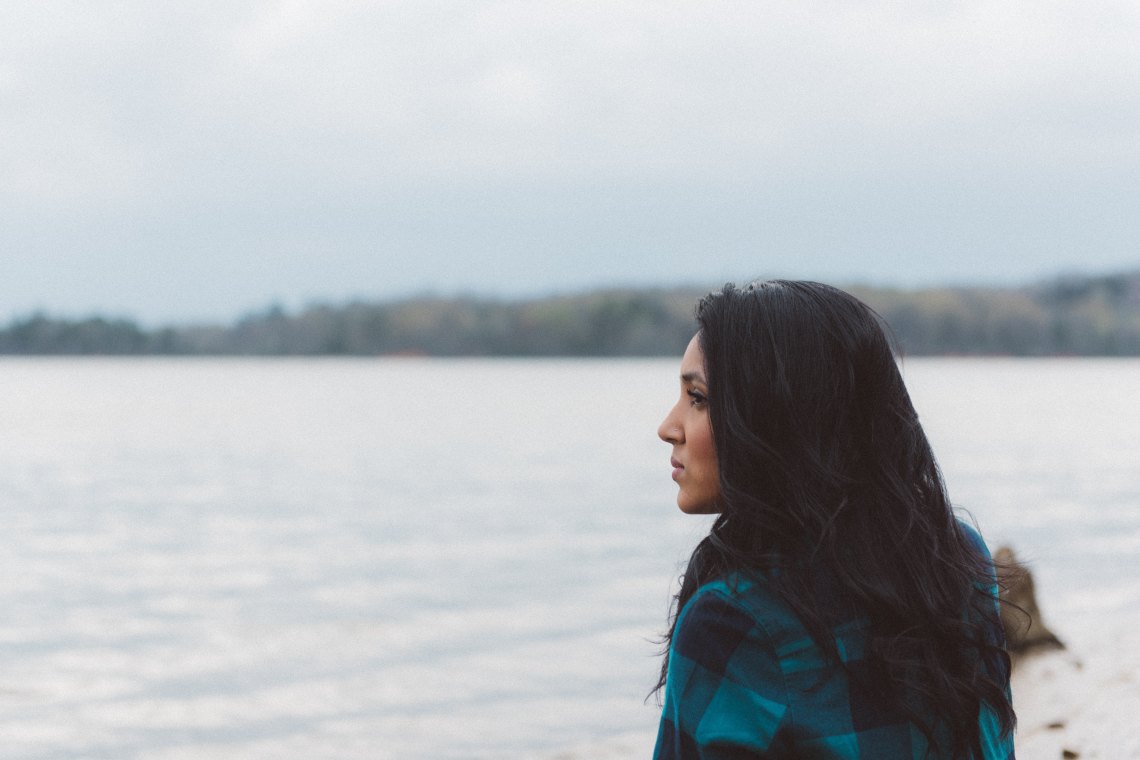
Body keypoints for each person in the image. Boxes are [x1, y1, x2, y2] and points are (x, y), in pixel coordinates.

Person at [653, 281, 1015, 759]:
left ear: (775, 416)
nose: (668, 427)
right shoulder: (953, 558)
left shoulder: (732, 623)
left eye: (697, 398)